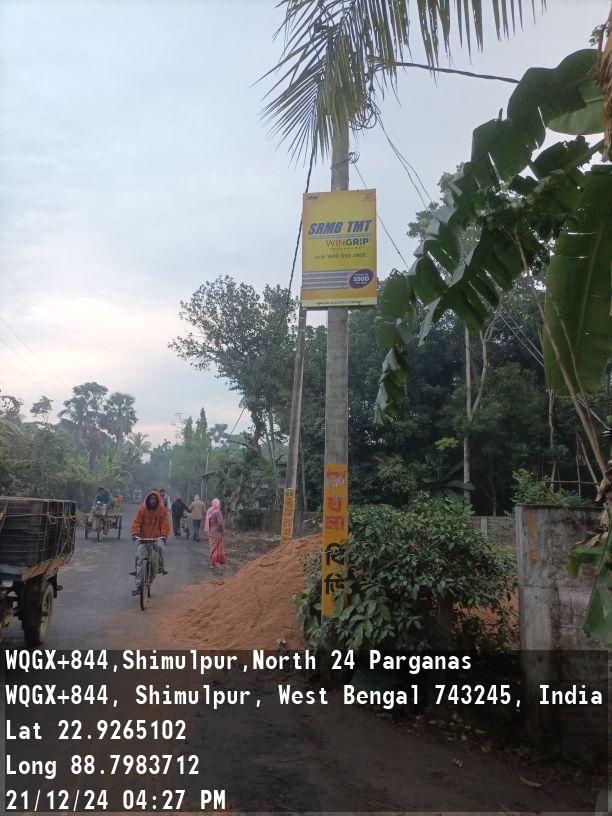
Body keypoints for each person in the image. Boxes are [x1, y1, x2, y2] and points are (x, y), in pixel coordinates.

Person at [130, 489, 170, 594]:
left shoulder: (162, 510)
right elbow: (136, 522)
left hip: (157, 538)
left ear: (158, 500)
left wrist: (164, 535)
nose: (152, 500)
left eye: (154, 499)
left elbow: (165, 525)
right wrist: (135, 533)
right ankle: (137, 585)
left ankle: (161, 566)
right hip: (144, 539)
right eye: (151, 498)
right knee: (139, 559)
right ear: (148, 499)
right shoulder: (142, 510)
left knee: (159, 550)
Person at [205, 497, 226, 567]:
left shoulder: (209, 511)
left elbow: (208, 522)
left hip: (211, 532)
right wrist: (222, 530)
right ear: (218, 504)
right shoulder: (218, 512)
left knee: (212, 547)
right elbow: (220, 524)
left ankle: (212, 562)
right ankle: (214, 562)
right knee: (217, 547)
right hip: (217, 532)